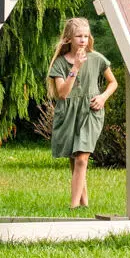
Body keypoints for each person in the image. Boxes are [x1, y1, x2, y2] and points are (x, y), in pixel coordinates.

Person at [46, 18, 118, 208]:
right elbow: (62, 93)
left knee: (81, 158)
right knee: (75, 160)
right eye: (79, 36)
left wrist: (103, 97)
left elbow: (113, 83)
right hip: (68, 112)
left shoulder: (97, 59)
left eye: (86, 36)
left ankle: (73, 207)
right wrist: (76, 67)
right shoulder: (60, 63)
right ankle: (84, 204)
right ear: (69, 38)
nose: (83, 40)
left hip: (91, 111)